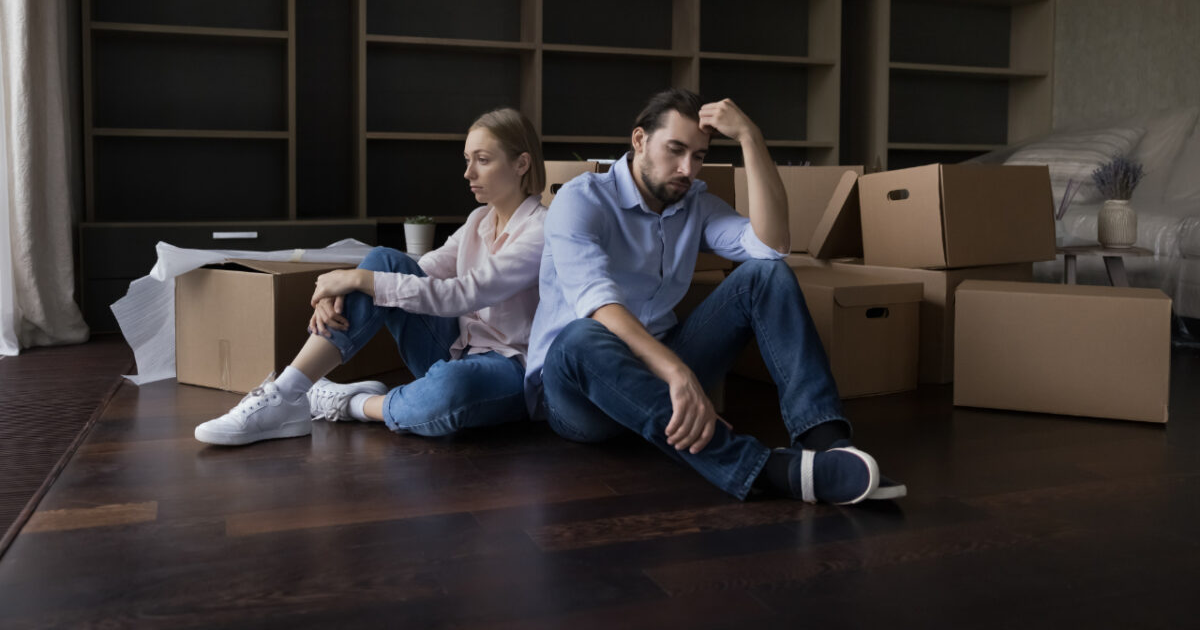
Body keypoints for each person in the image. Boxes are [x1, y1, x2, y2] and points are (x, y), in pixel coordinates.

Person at [528, 88, 904, 504]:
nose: (687, 169)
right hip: (580, 394)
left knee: (766, 275)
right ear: (639, 141)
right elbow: (599, 304)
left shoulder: (695, 204)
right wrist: (678, 373)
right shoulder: (581, 200)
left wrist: (751, 138)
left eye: (699, 155)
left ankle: (827, 441)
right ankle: (766, 470)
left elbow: (772, 246)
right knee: (581, 336)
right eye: (675, 150)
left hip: (663, 375)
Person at [195, 108, 547, 446]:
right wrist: (354, 280)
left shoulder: (542, 228)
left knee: (450, 389)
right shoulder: (478, 220)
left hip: (508, 366)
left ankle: (346, 403)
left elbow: (464, 293)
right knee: (382, 259)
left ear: (521, 163)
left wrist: (359, 281)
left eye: (482, 160)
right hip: (456, 348)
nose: (468, 173)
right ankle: (286, 393)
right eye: (467, 160)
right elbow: (422, 270)